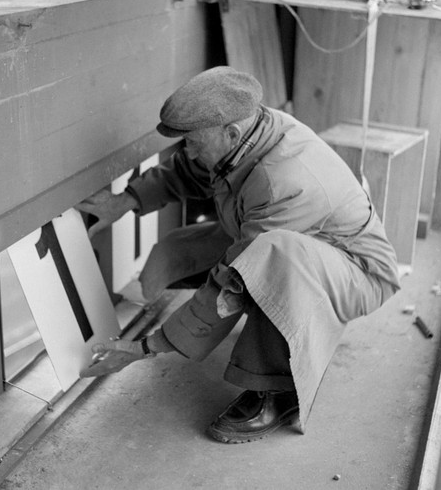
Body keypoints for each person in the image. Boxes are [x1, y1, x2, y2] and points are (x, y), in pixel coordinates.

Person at [77, 66, 400, 444]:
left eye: (194, 142)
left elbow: (234, 280)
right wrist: (126, 200)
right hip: (305, 244)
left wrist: (145, 347)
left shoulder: (283, 182)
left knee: (267, 259)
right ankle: (264, 324)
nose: (189, 151)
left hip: (359, 273)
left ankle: (277, 393)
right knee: (194, 250)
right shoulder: (249, 134)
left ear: (230, 134)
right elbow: (191, 170)